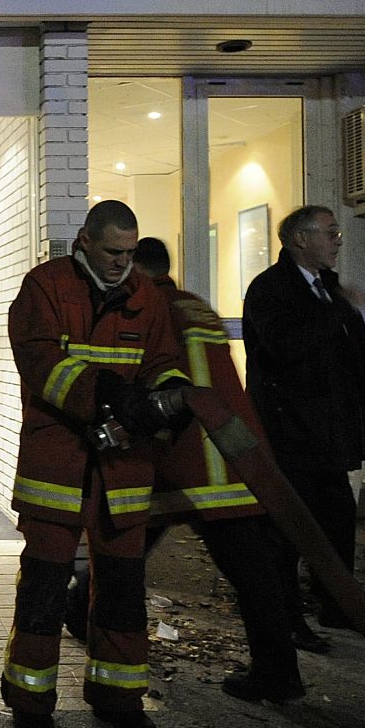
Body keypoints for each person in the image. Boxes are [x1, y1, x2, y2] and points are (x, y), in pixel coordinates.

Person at [68, 237, 304, 703]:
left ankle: (81, 614)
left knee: (122, 555)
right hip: (230, 458)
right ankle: (279, 673)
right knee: (254, 575)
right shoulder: (197, 307)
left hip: (171, 459)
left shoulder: (142, 310)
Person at [1, 200, 191, 728]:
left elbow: (164, 360)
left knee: (124, 592)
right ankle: (30, 702)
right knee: (42, 588)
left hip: (123, 467)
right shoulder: (44, 287)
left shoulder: (146, 295)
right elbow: (39, 364)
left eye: (130, 254)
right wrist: (107, 394)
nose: (121, 264)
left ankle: (119, 698)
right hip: (58, 463)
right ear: (85, 240)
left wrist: (165, 398)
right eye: (113, 252)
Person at [242, 205, 365, 653]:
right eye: (330, 233)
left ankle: (336, 604)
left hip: (328, 435)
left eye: (337, 232)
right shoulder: (270, 289)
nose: (338, 240)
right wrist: (338, 310)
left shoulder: (327, 288)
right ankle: (287, 616)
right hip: (291, 434)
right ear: (300, 240)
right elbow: (285, 348)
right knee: (290, 529)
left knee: (337, 519)